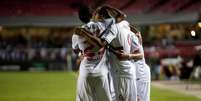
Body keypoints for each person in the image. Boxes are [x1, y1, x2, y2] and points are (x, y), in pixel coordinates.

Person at [76, 6, 142, 101]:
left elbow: (101, 44)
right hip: (121, 71)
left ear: (101, 16)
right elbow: (122, 15)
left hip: (118, 73)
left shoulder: (108, 27)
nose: (94, 15)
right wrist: (106, 7)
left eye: (96, 13)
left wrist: (84, 34)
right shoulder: (113, 25)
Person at [72, 5, 112, 101]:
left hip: (85, 73)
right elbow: (111, 21)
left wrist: (81, 54)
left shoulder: (77, 34)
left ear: (80, 18)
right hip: (102, 73)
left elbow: (75, 49)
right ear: (92, 14)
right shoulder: (102, 26)